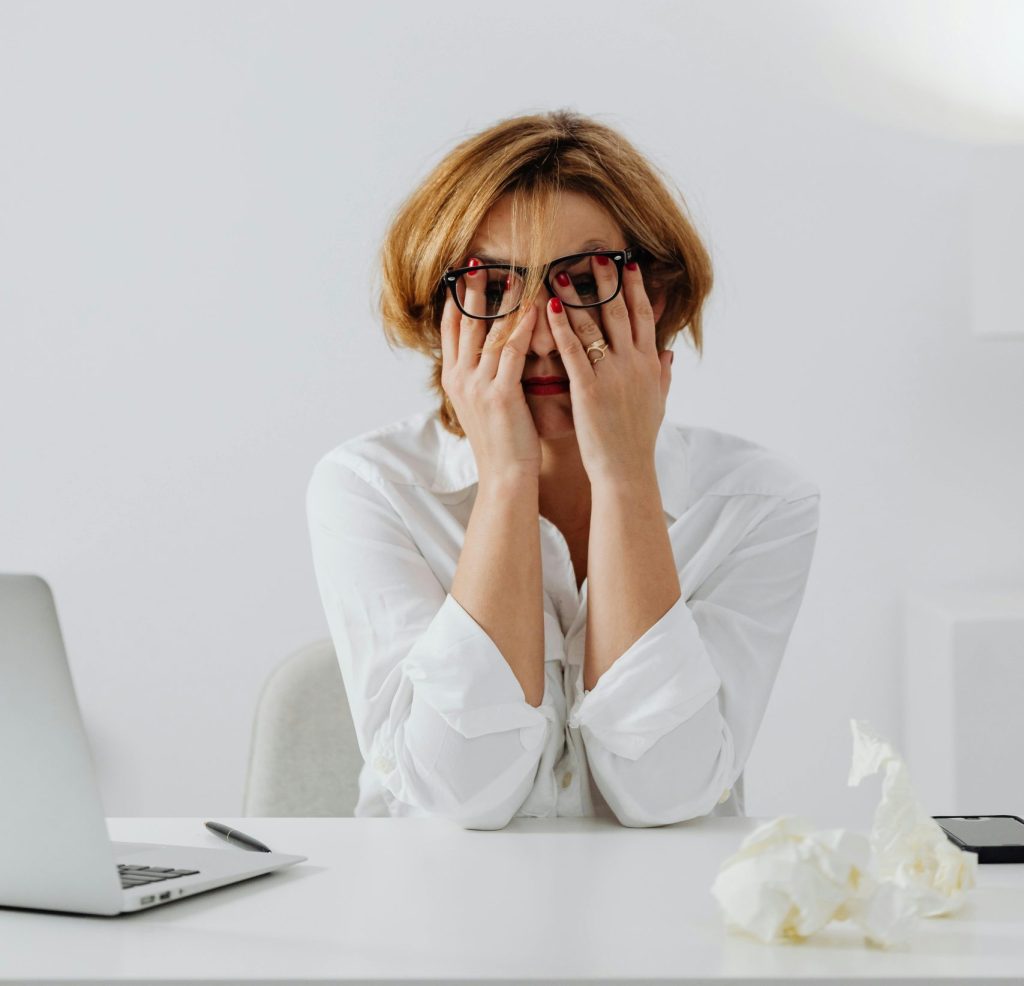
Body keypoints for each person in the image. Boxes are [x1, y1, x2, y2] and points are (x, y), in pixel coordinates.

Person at [306, 109, 821, 829]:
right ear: (438, 308)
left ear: (658, 298)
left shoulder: (756, 503)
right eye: (492, 287)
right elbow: (461, 796)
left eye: (583, 281)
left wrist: (625, 479)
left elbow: (666, 795)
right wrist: (507, 482)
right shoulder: (371, 488)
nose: (543, 337)